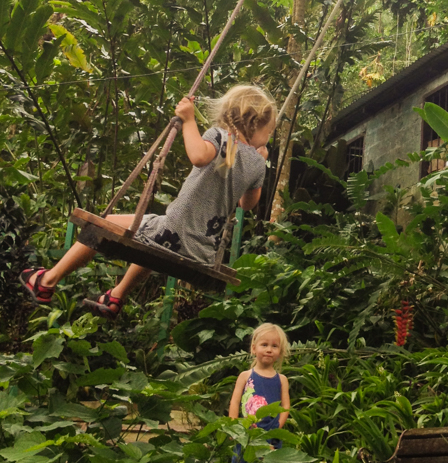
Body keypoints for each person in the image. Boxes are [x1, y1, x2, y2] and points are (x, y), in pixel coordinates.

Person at [20, 84, 276, 320]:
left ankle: (47, 280)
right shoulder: (257, 162)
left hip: (175, 232)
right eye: (269, 131)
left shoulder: (219, 137)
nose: (269, 136)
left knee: (104, 224)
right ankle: (116, 297)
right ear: (254, 124)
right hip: (203, 251)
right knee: (151, 242)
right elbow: (247, 204)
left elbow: (198, 156)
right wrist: (258, 162)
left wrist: (189, 120)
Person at [230, 322, 291, 463]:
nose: (269, 350)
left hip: (269, 434)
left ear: (280, 352)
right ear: (253, 348)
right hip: (247, 434)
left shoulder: (281, 379)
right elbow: (235, 402)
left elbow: (286, 406)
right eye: (264, 345)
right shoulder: (245, 376)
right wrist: (233, 428)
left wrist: (277, 428)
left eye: (274, 346)